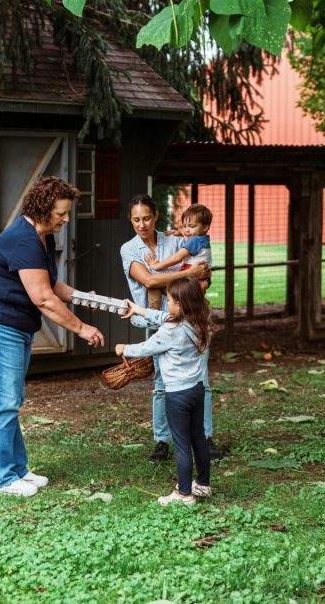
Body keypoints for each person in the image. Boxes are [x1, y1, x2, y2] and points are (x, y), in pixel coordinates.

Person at [0, 176, 105, 497]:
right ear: (43, 209)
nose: (66, 219)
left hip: (14, 326)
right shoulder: (24, 240)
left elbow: (52, 284)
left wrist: (84, 298)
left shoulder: (42, 237)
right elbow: (43, 298)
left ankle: (16, 470)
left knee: (10, 399)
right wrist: (82, 328)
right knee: (2, 401)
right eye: (61, 213)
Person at [120, 194, 222, 462]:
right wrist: (188, 275)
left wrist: (199, 279)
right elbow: (150, 281)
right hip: (159, 319)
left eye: (146, 218)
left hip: (191, 317)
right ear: (131, 221)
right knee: (162, 382)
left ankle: (205, 436)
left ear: (155, 217)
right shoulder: (129, 249)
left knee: (201, 379)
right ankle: (162, 441)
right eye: (136, 220)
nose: (142, 224)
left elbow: (206, 273)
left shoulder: (177, 240)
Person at [116, 277, 213, 506]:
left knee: (181, 444)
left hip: (177, 395)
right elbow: (163, 317)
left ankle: (183, 494)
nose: (166, 304)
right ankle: (203, 484)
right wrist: (139, 309)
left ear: (179, 303)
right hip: (196, 389)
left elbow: (146, 347)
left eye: (169, 300)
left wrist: (124, 348)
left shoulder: (171, 331)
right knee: (198, 438)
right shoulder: (198, 322)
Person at [144, 203, 213, 310]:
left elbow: (176, 258)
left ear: (205, 227)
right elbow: (192, 241)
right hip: (198, 281)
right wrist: (180, 233)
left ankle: (153, 313)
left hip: (188, 282)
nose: (186, 230)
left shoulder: (195, 241)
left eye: (192, 226)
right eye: (184, 226)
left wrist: (157, 265)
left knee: (155, 286)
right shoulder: (204, 239)